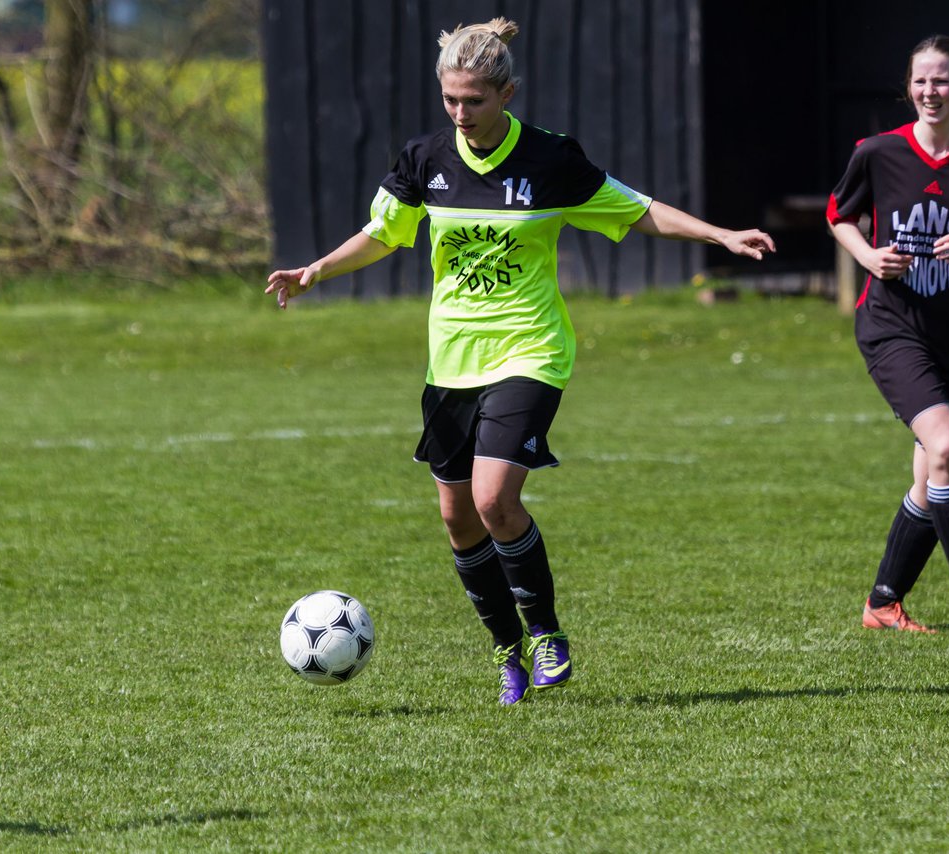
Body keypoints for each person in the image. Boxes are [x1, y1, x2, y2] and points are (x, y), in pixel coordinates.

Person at [265, 17, 775, 705]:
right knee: (457, 519)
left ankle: (546, 634)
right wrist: (314, 271)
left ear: (508, 93)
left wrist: (718, 234)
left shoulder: (550, 159)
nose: (460, 113)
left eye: (474, 100)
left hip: (530, 351)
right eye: (450, 100)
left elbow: (637, 211)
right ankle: (507, 652)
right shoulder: (425, 160)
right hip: (451, 362)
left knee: (494, 498)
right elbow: (381, 235)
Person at [826, 35, 949, 636]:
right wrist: (868, 257)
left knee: (931, 474)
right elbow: (840, 216)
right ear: (908, 87)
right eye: (920, 81)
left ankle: (884, 602)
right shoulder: (878, 152)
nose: (930, 91)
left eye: (942, 81)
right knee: (945, 449)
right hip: (892, 326)